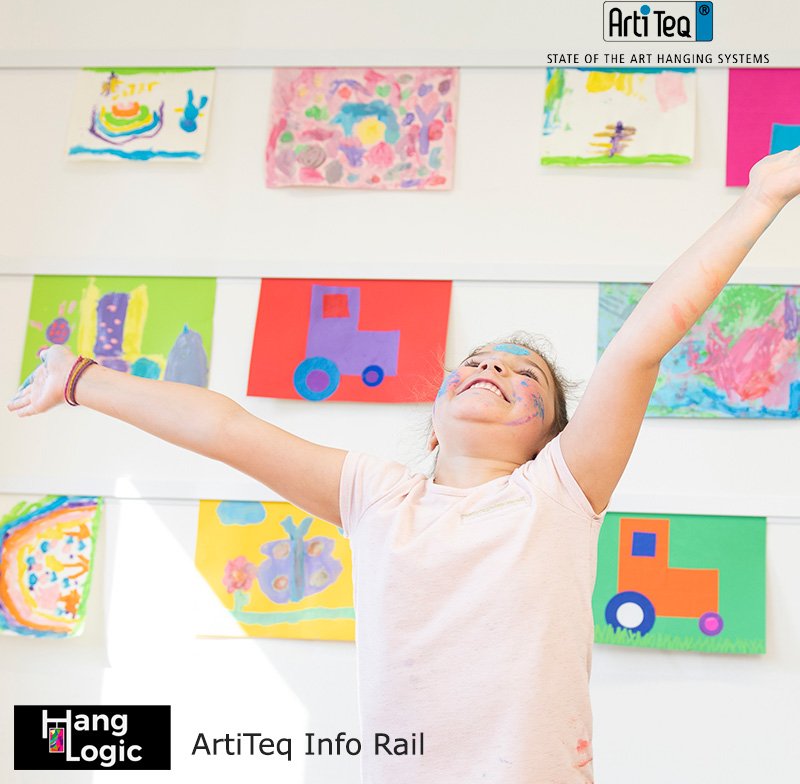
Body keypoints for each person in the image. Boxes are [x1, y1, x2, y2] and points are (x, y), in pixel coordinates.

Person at [8, 148, 800, 782]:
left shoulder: (558, 492)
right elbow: (226, 428)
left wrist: (760, 198)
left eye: (526, 378)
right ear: (434, 418)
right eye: (481, 362)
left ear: (548, 435)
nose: (497, 371)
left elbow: (642, 342)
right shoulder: (377, 495)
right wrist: (80, 378)